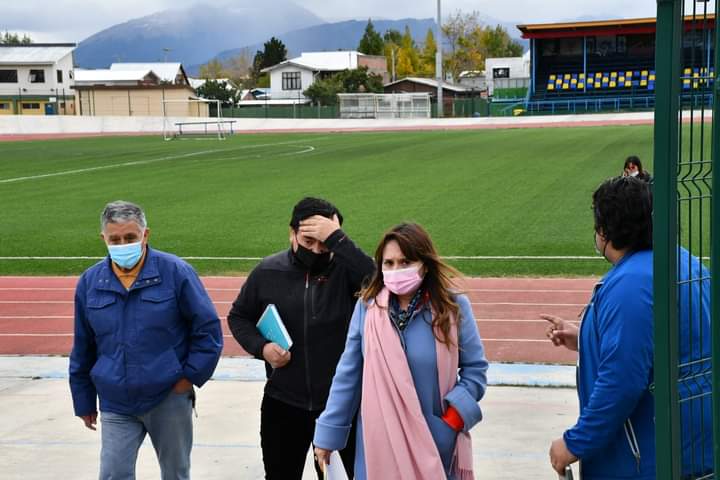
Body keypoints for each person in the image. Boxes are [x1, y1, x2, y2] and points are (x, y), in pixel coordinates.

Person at [543, 177, 712, 478]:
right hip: (690, 449)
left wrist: (574, 444)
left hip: (645, 460)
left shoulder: (630, 284)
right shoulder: (686, 262)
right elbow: (670, 344)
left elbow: (622, 382)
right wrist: (586, 338)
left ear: (607, 230)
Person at [313, 222, 489, 480]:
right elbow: (348, 374)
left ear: (424, 265)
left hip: (434, 441)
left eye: (405, 262)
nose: (396, 270)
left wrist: (452, 421)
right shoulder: (367, 308)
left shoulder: (453, 308)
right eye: (389, 263)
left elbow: (475, 370)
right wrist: (328, 435)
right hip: (379, 444)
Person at [69, 200, 223, 480]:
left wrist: (188, 378)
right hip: (116, 401)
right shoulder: (90, 282)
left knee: (175, 474)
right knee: (113, 474)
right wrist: (83, 400)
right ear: (103, 238)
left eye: (130, 237)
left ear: (145, 235)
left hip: (168, 397)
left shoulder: (176, 272)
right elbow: (83, 346)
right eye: (114, 239)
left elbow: (208, 330)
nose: (122, 244)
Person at [227, 197, 374, 480]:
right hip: (283, 403)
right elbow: (238, 316)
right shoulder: (268, 271)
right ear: (291, 233)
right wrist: (262, 348)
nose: (317, 250)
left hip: (341, 407)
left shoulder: (349, 272)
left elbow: (381, 284)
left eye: (325, 242)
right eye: (309, 241)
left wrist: (339, 241)